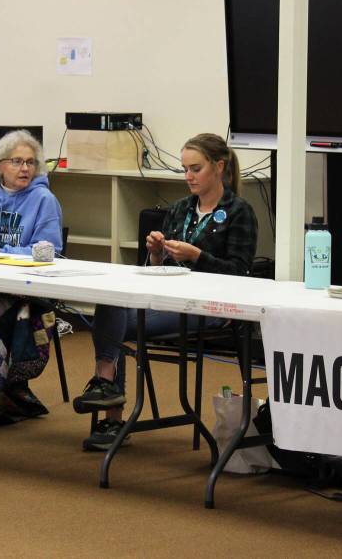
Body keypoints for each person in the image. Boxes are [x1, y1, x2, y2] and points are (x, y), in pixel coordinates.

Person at [72, 133, 258, 451]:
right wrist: (157, 254)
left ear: (219, 166)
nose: (188, 176)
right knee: (111, 302)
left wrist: (197, 256)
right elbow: (157, 273)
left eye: (195, 169)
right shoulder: (181, 208)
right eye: (184, 169)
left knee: (113, 324)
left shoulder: (239, 211)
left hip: (212, 308)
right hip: (168, 301)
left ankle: (110, 404)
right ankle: (108, 393)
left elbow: (241, 274)